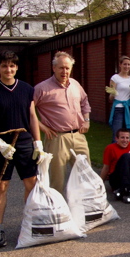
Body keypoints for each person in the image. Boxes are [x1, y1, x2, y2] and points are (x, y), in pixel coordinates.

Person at [0, 50, 43, 248]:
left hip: (24, 143)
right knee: (2, 187)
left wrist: (37, 143)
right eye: (4, 65)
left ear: (17, 67)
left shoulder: (26, 89)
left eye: (12, 65)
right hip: (2, 147)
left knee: (31, 184)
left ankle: (28, 223)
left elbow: (32, 116)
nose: (8, 69)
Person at [34, 51, 91, 194]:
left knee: (86, 175)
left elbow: (85, 102)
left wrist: (87, 120)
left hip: (78, 136)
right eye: (61, 68)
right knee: (57, 181)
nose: (64, 71)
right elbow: (26, 110)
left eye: (67, 68)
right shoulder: (42, 88)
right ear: (54, 68)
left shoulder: (75, 85)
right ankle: (57, 213)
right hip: (57, 139)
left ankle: (85, 209)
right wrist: (41, 127)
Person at [106, 56, 130, 142]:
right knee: (117, 134)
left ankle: (125, 154)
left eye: (128, 64)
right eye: (124, 64)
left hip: (128, 109)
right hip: (118, 109)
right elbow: (110, 97)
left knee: (127, 135)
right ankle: (114, 154)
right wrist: (113, 94)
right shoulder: (115, 78)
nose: (127, 66)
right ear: (120, 65)